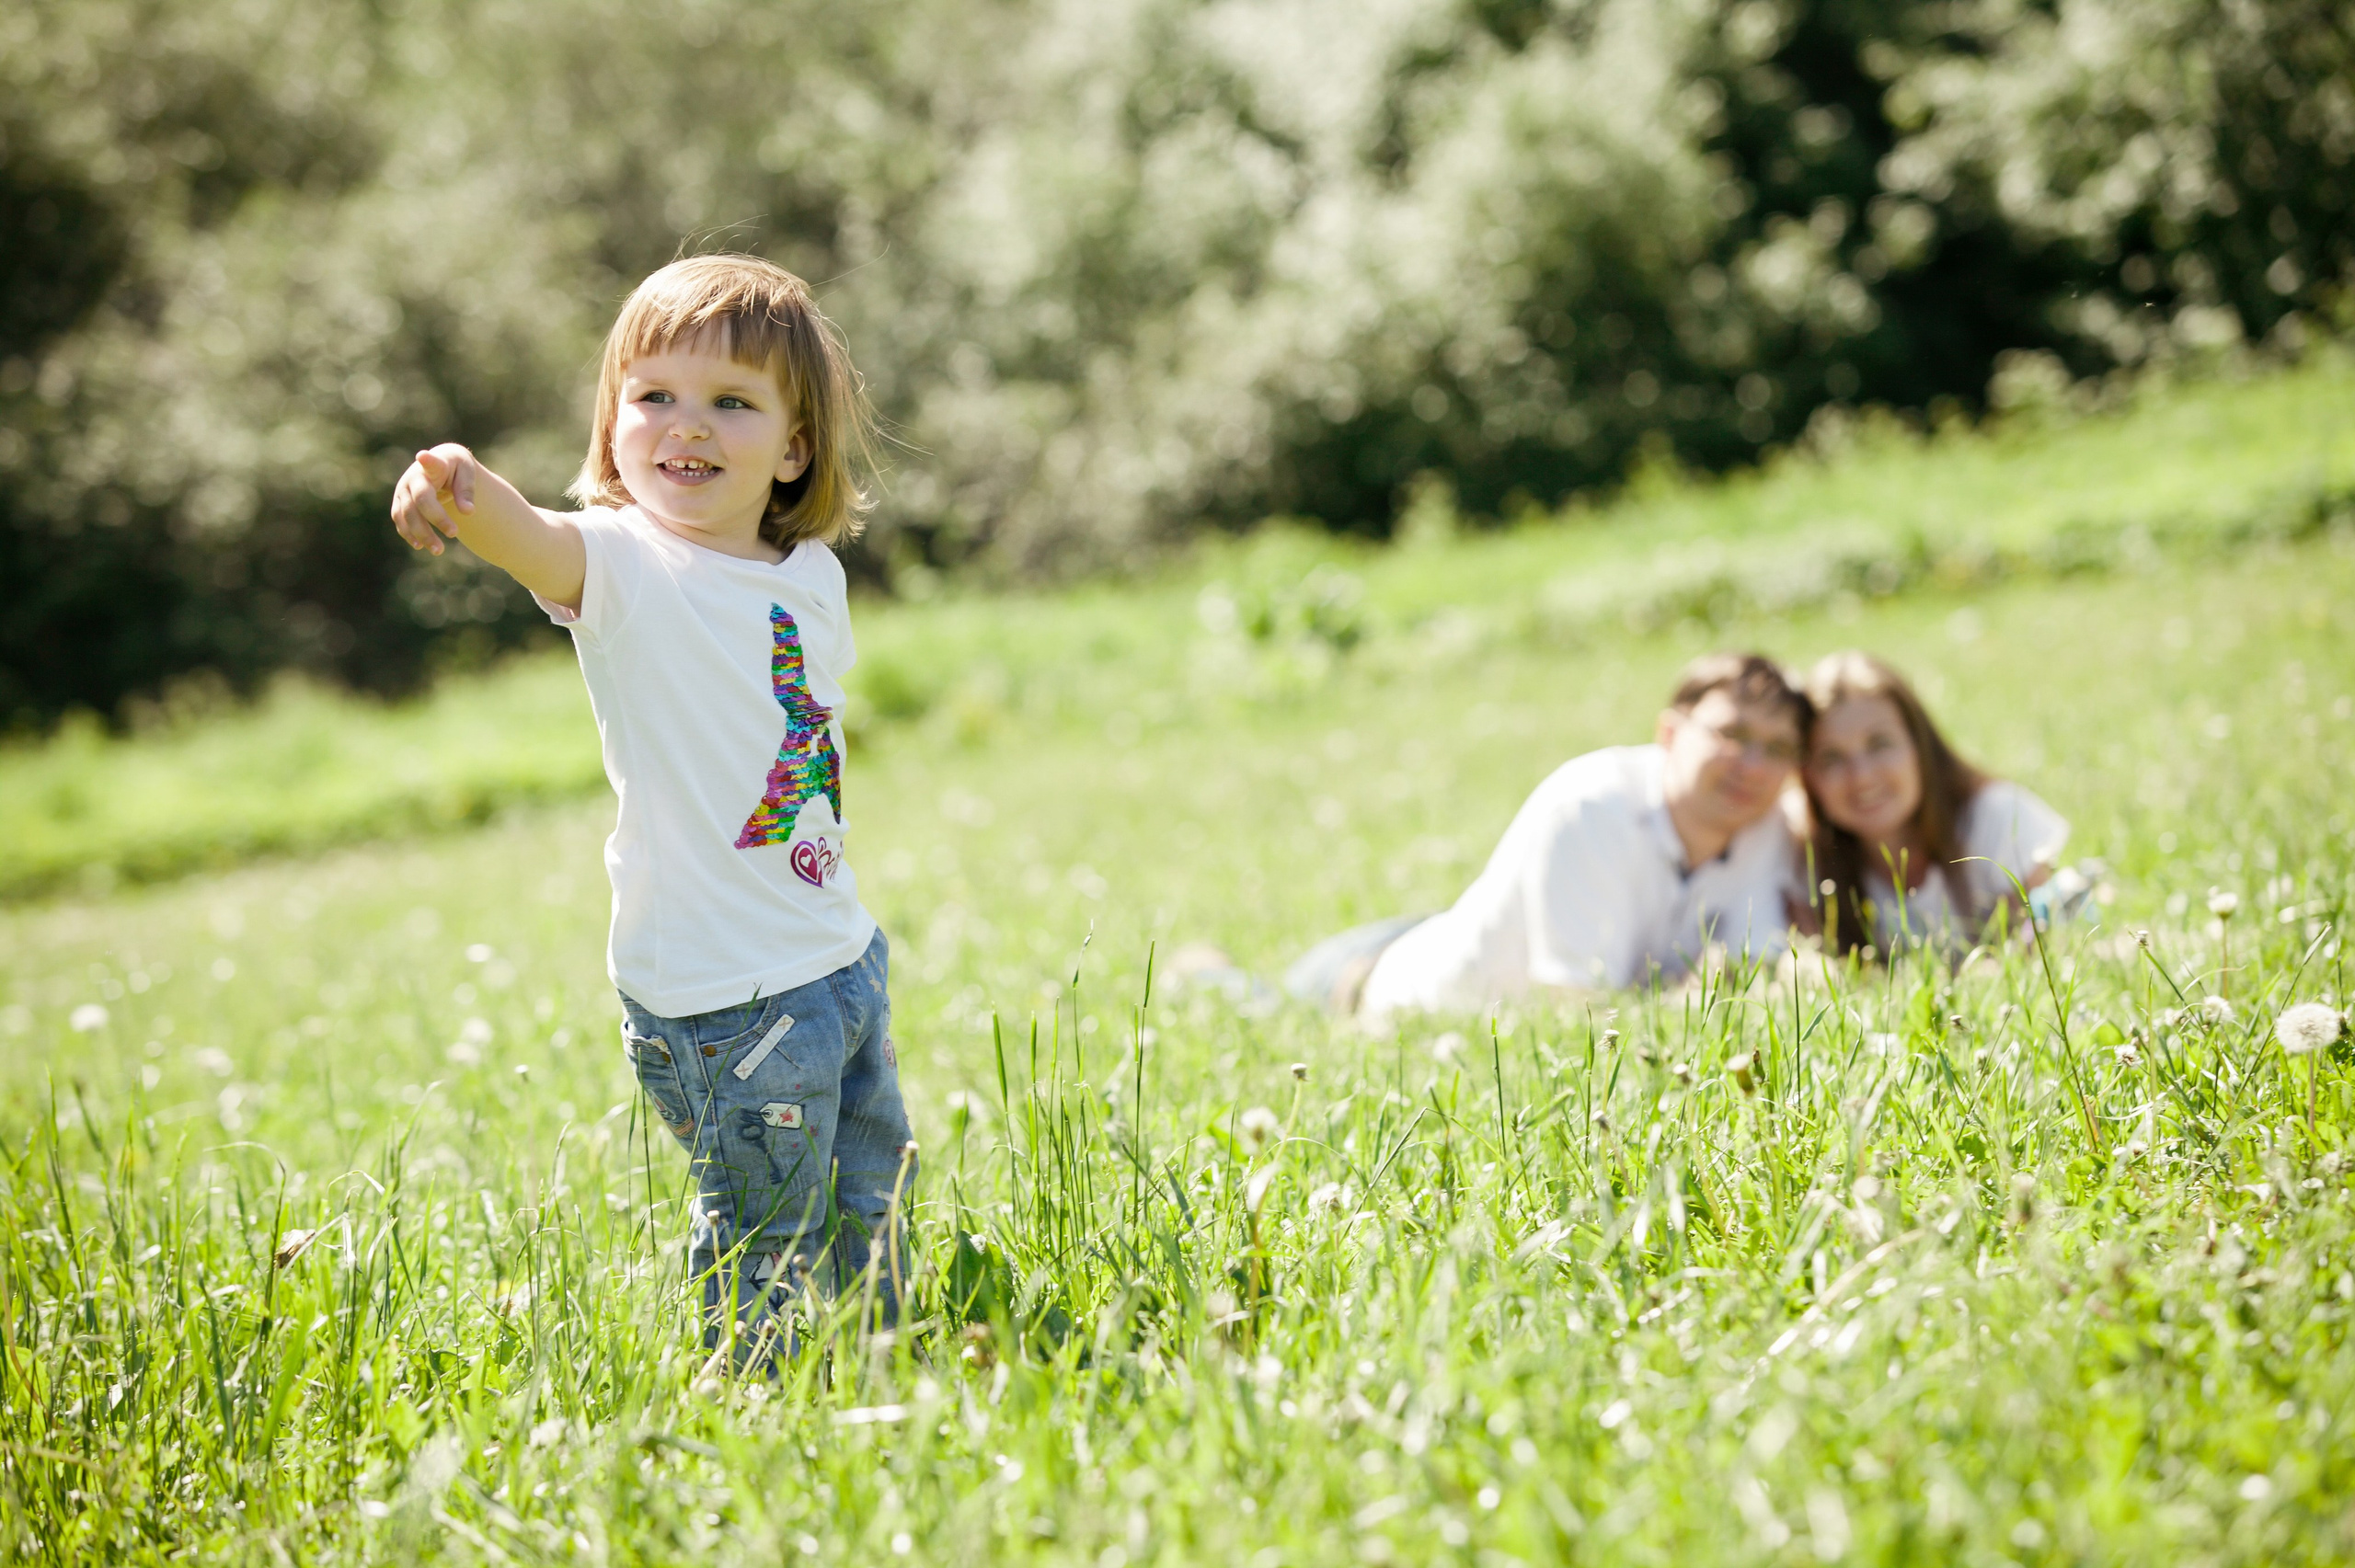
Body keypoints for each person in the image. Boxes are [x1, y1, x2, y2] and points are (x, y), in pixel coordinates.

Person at [388, 255, 912, 1365]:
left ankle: (884, 1360)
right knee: (764, 1235)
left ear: (795, 446)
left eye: (732, 402)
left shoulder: (806, 569)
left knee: (876, 1188)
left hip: (838, 957)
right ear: (615, 421)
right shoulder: (623, 567)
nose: (689, 426)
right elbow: (529, 535)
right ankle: (761, 1406)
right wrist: (457, 486)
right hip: (729, 1002)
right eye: (654, 396)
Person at [1294, 652, 1810, 1021]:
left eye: (1778, 749)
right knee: (1250, 993)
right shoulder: (1592, 805)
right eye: (1734, 735)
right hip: (1383, 986)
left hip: (1448, 928)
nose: (1753, 766)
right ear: (1670, 733)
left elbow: (1748, 968)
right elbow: (1578, 1012)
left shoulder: (1765, 829)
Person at [1797, 650, 2067, 956]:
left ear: (1919, 744)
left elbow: (2051, 949)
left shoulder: (1997, 818)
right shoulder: (1804, 859)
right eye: (1831, 758)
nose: (1861, 777)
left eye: (1880, 744)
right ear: (1807, 775)